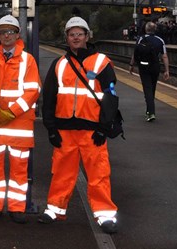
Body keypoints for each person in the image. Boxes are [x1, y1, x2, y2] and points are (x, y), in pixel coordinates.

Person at [39, 16, 118, 234]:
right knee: (61, 173)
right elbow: (49, 97)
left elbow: (111, 96)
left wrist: (103, 127)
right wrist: (51, 128)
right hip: (65, 130)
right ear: (66, 37)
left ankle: (105, 215)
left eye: (79, 34)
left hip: (93, 130)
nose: (75, 38)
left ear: (87, 36)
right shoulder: (59, 64)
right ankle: (54, 209)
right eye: (72, 34)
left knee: (99, 174)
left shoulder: (101, 62)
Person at [0, 15, 41, 223]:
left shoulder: (28, 60)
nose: (7, 35)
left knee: (19, 169)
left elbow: (33, 91)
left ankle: (16, 207)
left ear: (18, 35)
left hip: (18, 124)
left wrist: (11, 112)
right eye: (3, 31)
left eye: (11, 31)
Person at [129, 21, 170, 122]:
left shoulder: (141, 39)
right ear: (154, 29)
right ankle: (149, 110)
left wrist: (131, 64)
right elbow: (164, 56)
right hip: (155, 67)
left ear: (146, 29)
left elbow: (135, 52)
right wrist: (167, 70)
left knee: (147, 89)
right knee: (152, 88)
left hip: (144, 67)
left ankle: (151, 112)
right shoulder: (160, 40)